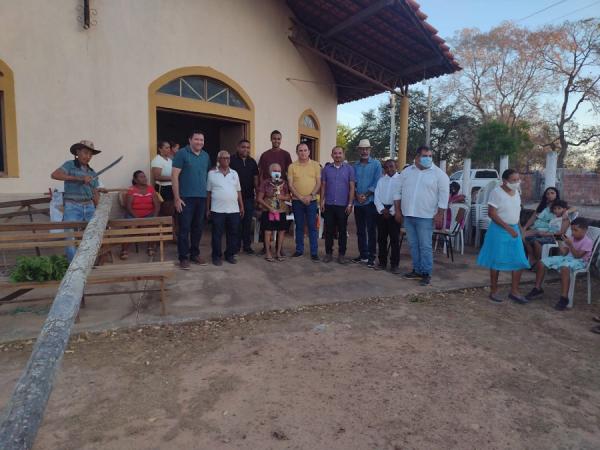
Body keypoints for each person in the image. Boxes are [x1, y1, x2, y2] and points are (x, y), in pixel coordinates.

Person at [393, 146, 449, 286]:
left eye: (430, 156)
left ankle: (426, 273)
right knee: (413, 245)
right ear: (417, 157)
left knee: (425, 246)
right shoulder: (406, 172)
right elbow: (397, 192)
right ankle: (417, 270)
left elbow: (444, 197)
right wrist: (398, 211)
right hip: (408, 215)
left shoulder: (439, 175)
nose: (428, 158)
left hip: (426, 216)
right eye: (425, 156)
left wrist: (440, 215)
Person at [476, 169, 530, 303]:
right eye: (514, 180)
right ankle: (493, 291)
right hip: (499, 230)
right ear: (505, 181)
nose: (517, 182)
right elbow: (492, 213)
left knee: (519, 260)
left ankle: (514, 291)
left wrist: (519, 229)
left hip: (514, 229)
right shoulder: (496, 192)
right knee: (496, 261)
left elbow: (516, 212)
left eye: (518, 179)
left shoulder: (517, 192)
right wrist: (507, 228)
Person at [51, 140, 103, 262]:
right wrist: (79, 178)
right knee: (70, 239)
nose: (88, 157)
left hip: (89, 206)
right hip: (72, 206)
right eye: (85, 153)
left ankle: (86, 265)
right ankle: (73, 270)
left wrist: (100, 211)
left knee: (93, 237)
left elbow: (95, 193)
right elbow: (54, 175)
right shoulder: (69, 165)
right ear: (77, 152)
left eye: (90, 155)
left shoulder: (92, 172)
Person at [526, 217, 593, 310]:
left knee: (564, 267)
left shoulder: (588, 242)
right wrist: (559, 242)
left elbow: (578, 256)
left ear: (585, 230)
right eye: (572, 230)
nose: (573, 232)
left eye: (576, 230)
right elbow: (564, 253)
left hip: (580, 262)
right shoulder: (571, 238)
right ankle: (537, 288)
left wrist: (570, 245)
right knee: (542, 262)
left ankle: (564, 297)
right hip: (567, 258)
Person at [172, 130, 211, 270]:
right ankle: (183, 257)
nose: (199, 142)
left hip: (201, 197)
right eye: (196, 139)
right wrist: (177, 198)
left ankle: (195, 254)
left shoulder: (206, 156)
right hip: (185, 198)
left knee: (198, 228)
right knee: (184, 228)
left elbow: (206, 175)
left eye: (201, 140)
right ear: (190, 140)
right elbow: (174, 176)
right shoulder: (182, 153)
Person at [206, 150, 244, 266]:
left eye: (228, 158)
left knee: (233, 234)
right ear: (218, 160)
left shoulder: (234, 173)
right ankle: (216, 256)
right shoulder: (212, 174)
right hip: (217, 210)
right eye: (224, 158)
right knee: (217, 235)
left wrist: (241, 206)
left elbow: (238, 191)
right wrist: (207, 209)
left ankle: (230, 255)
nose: (227, 160)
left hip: (233, 210)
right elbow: (208, 193)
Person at [320, 146, 355, 264]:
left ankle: (341, 255)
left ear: (343, 155)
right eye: (335, 153)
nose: (337, 155)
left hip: (343, 205)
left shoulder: (349, 169)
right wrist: (322, 202)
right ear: (332, 155)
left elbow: (351, 188)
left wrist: (350, 204)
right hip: (329, 204)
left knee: (342, 230)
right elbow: (323, 186)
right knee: (328, 231)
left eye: (340, 153)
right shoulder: (326, 169)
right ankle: (328, 253)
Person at [288, 143, 321, 261]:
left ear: (309, 152)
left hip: (311, 201)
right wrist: (301, 197)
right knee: (299, 226)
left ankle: (314, 252)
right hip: (297, 201)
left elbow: (318, 183)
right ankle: (299, 250)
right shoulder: (292, 166)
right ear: (297, 152)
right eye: (300, 150)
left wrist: (310, 196)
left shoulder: (316, 165)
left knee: (312, 226)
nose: (303, 153)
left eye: (305, 150)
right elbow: (290, 185)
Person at [352, 139, 382, 268]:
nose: (364, 151)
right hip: (358, 203)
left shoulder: (376, 164)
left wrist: (366, 195)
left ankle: (371, 256)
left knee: (370, 230)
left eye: (366, 149)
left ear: (370, 150)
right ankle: (363, 255)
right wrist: (357, 195)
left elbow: (377, 182)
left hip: (370, 202)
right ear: (359, 150)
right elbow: (353, 183)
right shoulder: (355, 166)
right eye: (362, 149)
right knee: (360, 230)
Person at [120, 170, 161, 259]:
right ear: (135, 179)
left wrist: (154, 217)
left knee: (152, 225)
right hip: (133, 214)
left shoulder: (151, 188)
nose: (144, 178)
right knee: (130, 228)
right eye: (141, 177)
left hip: (148, 214)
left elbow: (157, 205)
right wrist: (137, 218)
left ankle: (150, 247)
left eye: (144, 176)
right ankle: (124, 250)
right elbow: (128, 207)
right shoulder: (131, 189)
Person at [257, 163, 291, 262]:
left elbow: (289, 196)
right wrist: (269, 208)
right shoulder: (265, 183)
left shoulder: (284, 183)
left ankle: (278, 252)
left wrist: (282, 197)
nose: (277, 173)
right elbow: (259, 198)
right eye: (274, 171)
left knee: (281, 231)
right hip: (268, 211)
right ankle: (268, 252)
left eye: (279, 171)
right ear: (270, 172)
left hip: (281, 210)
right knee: (267, 232)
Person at [230, 139, 259, 254]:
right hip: (233, 198)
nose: (246, 149)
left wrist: (257, 195)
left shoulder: (252, 162)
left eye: (248, 147)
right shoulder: (231, 160)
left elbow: (256, 179)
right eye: (243, 147)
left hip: (248, 197)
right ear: (238, 147)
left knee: (247, 223)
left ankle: (247, 246)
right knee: (235, 223)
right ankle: (236, 246)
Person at [374, 159, 401, 273]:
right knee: (381, 239)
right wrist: (382, 209)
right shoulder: (381, 180)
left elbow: (402, 196)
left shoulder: (401, 180)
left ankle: (394, 264)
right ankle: (382, 262)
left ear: (396, 166)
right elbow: (377, 196)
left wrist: (391, 211)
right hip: (382, 212)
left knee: (394, 240)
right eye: (386, 167)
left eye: (391, 166)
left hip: (394, 211)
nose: (389, 169)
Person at [151, 140, 174, 216]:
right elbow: (157, 176)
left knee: (171, 210)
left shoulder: (170, 160)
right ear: (160, 149)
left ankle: (171, 226)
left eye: (169, 147)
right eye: (166, 148)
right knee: (165, 210)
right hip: (163, 188)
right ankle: (164, 227)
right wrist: (173, 178)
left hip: (171, 187)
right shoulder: (157, 160)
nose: (169, 149)